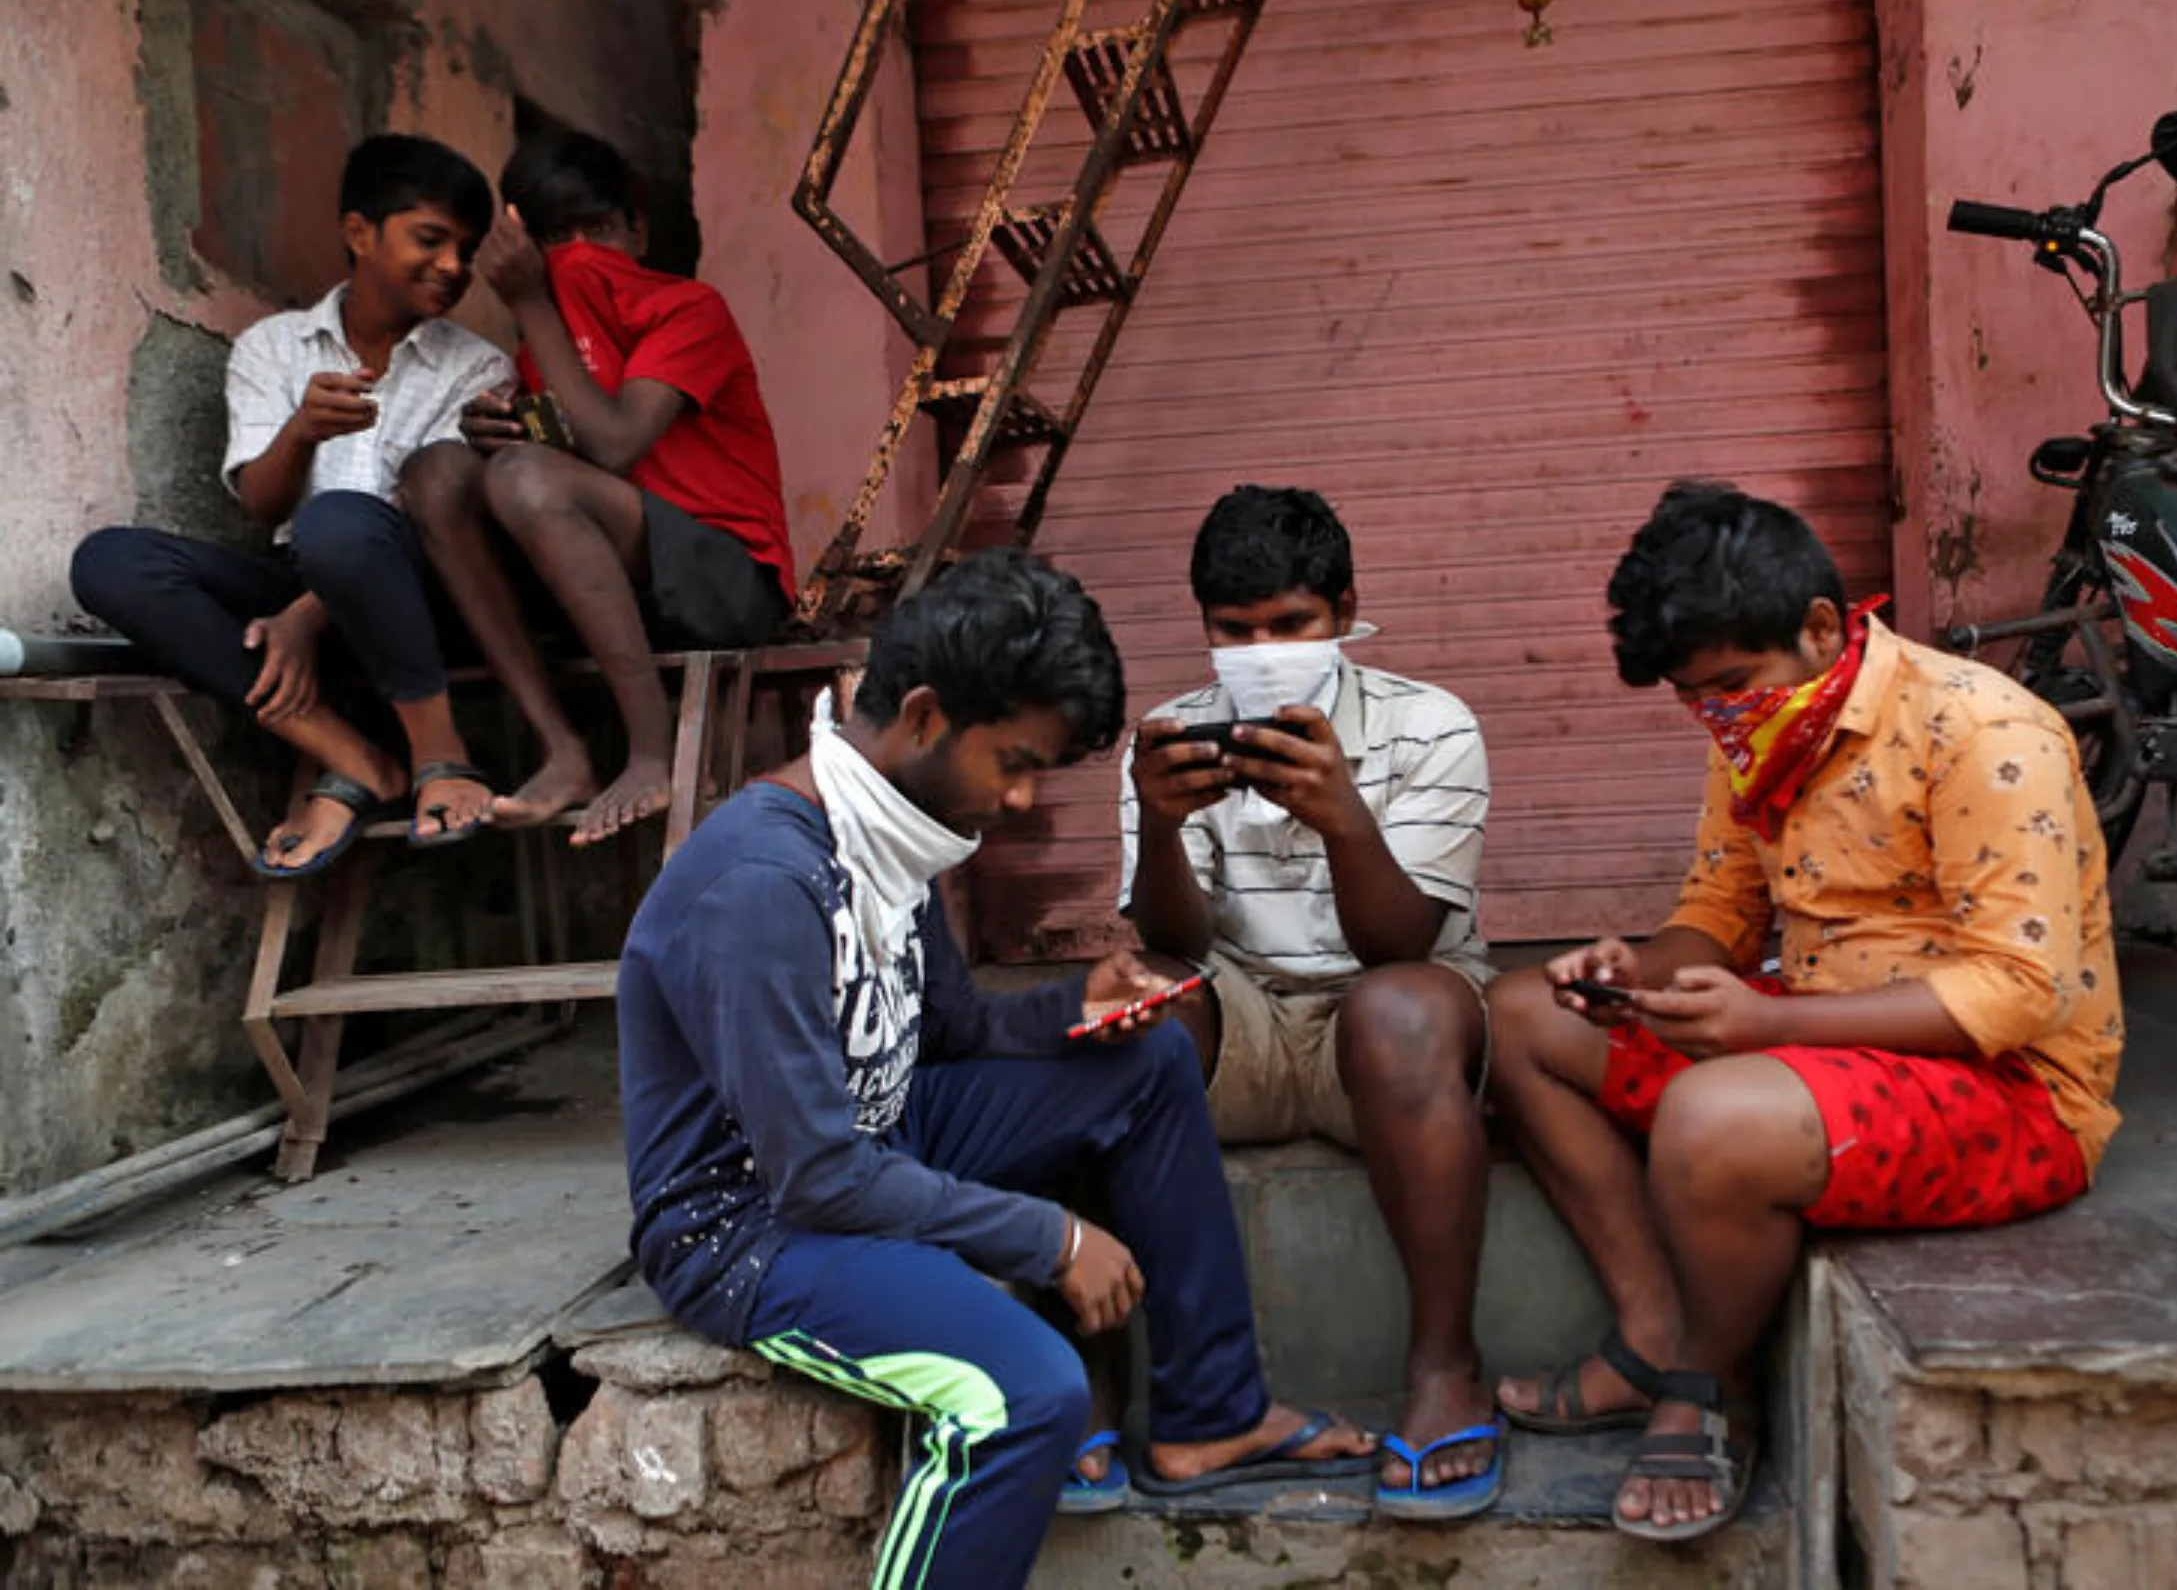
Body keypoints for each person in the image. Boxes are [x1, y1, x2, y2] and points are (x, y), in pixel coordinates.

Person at [617, 549, 1375, 1590]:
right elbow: (817, 1178)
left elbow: (952, 1032)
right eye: (1014, 762)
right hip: (750, 1225)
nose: (1020, 799)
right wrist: (1050, 1237)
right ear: (925, 718)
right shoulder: (761, 883)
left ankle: (1212, 1414)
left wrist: (1079, 1008)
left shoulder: (894, 825)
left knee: (1149, 1058)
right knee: (1023, 1391)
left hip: (878, 1133)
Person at [1485, 481, 2124, 1543]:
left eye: (1730, 684)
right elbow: (1719, 915)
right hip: (1821, 1031)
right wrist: (1638, 972)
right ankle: (1649, 1332)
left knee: (1714, 1115)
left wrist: (1765, 1029)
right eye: (1695, 697)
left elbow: (2015, 995)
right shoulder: (1761, 724)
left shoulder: (1986, 728)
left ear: (1824, 626)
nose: (1716, 713)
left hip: (2010, 1090)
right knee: (1520, 1014)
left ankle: (1702, 1383)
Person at [1117, 485, 1501, 1519]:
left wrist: (1343, 820)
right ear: (1203, 627)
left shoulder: (1432, 726)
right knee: (1129, 1003)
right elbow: (1174, 945)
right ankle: (1119, 1382)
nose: (1263, 648)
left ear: (1343, 611)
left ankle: (1444, 1367)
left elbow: (1401, 943)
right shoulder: (1171, 738)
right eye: (1234, 631)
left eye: (1291, 625)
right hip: (1246, 1016)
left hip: (1386, 1025)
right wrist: (1159, 826)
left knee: (1398, 1008)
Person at [72, 134, 512, 873]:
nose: (452, 267)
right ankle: (352, 754)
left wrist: (306, 617)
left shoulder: (477, 366)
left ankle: (441, 751)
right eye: (431, 240)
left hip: (421, 597)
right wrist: (303, 430)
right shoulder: (272, 349)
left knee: (339, 524)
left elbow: (436, 518)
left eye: (465, 252)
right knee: (111, 563)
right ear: (359, 232)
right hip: (299, 571)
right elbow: (257, 501)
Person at [400, 128, 795, 848]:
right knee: (436, 474)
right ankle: (565, 750)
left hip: (726, 582)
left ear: (638, 231)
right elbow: (562, 465)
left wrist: (533, 303)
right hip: (611, 581)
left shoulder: (689, 309)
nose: (581, 256)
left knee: (523, 479)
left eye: (600, 231)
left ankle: (650, 752)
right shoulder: (542, 346)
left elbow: (615, 442)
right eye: (557, 238)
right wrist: (500, 430)